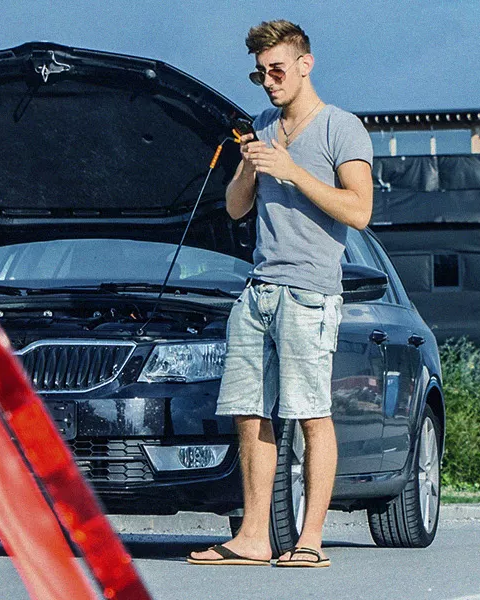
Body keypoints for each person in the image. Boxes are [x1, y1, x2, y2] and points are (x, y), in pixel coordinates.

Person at [186, 19, 374, 569]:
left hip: (310, 293)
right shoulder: (263, 126)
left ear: (305, 65)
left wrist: (292, 172)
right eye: (259, 74)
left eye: (277, 70)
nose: (268, 82)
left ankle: (310, 539)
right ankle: (253, 537)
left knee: (311, 415)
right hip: (258, 290)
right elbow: (235, 208)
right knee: (249, 414)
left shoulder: (341, 128)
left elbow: (360, 211)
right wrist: (249, 168)